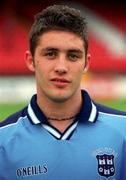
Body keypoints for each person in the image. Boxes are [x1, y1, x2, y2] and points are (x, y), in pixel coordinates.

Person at [0, 4, 126, 180]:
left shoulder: (123, 131)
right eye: (50, 54)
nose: (61, 67)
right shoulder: (3, 140)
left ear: (86, 64)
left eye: (73, 56)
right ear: (30, 60)